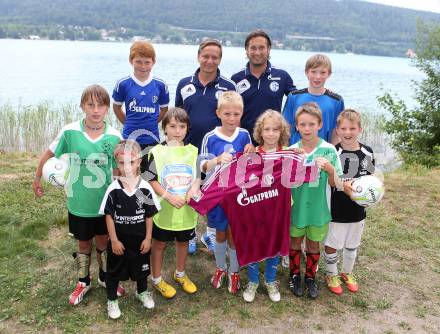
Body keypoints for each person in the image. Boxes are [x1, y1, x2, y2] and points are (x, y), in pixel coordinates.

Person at [32, 85, 124, 305]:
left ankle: (104, 276)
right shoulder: (70, 131)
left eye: (100, 105)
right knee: (83, 243)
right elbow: (49, 153)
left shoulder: (114, 136)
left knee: (103, 241)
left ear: (107, 108)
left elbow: (118, 168)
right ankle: (84, 281)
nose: (95, 110)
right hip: (78, 201)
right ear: (82, 106)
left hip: (103, 203)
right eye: (90, 104)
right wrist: (37, 177)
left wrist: (121, 192)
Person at [175, 39, 236, 254]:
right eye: (206, 56)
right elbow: (178, 116)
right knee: (190, 190)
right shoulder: (184, 83)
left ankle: (210, 233)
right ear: (198, 56)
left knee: (213, 193)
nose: (210, 61)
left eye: (215, 57)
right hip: (189, 148)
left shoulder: (228, 86)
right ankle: (189, 233)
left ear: (220, 59)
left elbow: (232, 116)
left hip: (215, 151)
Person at [200, 91, 254, 294]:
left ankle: (234, 270)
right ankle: (220, 267)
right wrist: (215, 160)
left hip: (238, 195)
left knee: (234, 233)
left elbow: (250, 164)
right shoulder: (210, 137)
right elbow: (202, 165)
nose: (232, 118)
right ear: (218, 113)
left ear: (241, 114)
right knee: (220, 233)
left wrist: (252, 151)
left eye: (236, 114)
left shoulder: (245, 135)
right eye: (227, 114)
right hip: (218, 195)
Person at [100, 140, 160, 319]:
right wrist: (114, 240)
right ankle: (112, 300)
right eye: (122, 163)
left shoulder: (145, 188)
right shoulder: (113, 189)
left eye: (131, 162)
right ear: (116, 163)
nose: (126, 167)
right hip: (119, 242)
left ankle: (141, 292)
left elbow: (149, 215)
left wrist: (148, 238)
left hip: (140, 240)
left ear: (139, 161)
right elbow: (108, 216)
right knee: (113, 272)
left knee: (141, 269)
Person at [288, 102, 343, 299]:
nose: (307, 128)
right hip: (297, 207)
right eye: (302, 124)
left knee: (313, 244)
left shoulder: (329, 150)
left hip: (319, 208)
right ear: (296, 126)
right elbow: (285, 182)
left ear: (320, 124)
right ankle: (294, 275)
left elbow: (336, 183)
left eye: (311, 124)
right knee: (295, 240)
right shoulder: (292, 150)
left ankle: (310, 277)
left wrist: (329, 169)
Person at [147, 108, 200, 299]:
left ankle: (180, 274)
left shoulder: (193, 152)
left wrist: (193, 189)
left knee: (183, 242)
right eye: (173, 126)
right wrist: (168, 196)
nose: (177, 130)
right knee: (159, 244)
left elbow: (198, 177)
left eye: (182, 126)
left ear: (187, 129)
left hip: (185, 209)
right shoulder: (156, 152)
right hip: (165, 208)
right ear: (164, 128)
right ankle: (157, 278)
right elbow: (151, 180)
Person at [324, 109, 375, 295]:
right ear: (337, 130)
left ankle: (347, 272)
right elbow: (329, 181)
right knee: (333, 243)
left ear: (360, 129)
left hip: (358, 209)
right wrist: (340, 183)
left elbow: (371, 178)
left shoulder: (367, 152)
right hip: (337, 209)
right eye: (343, 128)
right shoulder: (333, 152)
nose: (347, 132)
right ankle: (331, 274)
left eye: (352, 128)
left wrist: (372, 196)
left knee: (352, 243)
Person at [242, 110, 291, 303]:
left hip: (279, 209)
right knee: (254, 242)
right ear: (260, 132)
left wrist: (302, 155)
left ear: (282, 132)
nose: (271, 134)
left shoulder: (288, 153)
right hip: (257, 207)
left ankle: (270, 280)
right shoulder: (253, 153)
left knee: (275, 243)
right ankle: (253, 281)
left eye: (275, 129)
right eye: (267, 129)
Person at [112, 40, 169, 174]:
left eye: (147, 62)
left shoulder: (160, 85)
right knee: (127, 175)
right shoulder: (123, 84)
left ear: (153, 62)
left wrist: (153, 122)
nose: (143, 66)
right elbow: (116, 108)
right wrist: (128, 123)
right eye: (138, 61)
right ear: (131, 60)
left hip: (151, 139)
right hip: (129, 138)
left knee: (150, 177)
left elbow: (164, 110)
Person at [231, 29, 296, 143]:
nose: (257, 52)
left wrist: (323, 91)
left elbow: (298, 100)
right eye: (253, 48)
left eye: (261, 48)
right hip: (245, 143)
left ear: (269, 49)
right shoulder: (237, 79)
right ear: (246, 50)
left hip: (272, 142)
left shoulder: (282, 76)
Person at [282, 54, 344, 145]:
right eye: (313, 72)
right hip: (296, 152)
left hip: (323, 154)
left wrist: (331, 155)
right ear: (307, 72)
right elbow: (286, 128)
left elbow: (336, 133)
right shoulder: (294, 97)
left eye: (322, 72)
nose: (317, 77)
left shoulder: (336, 101)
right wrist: (285, 152)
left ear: (329, 74)